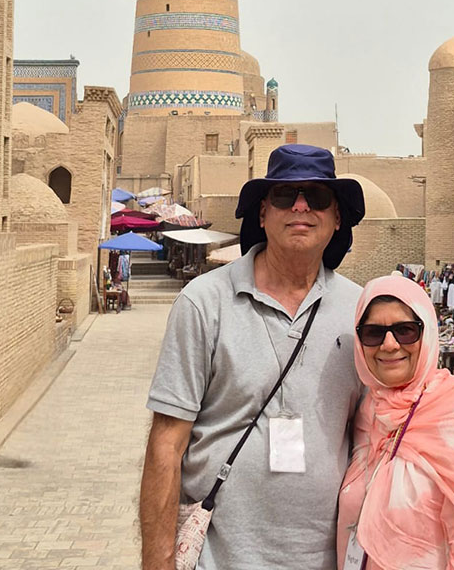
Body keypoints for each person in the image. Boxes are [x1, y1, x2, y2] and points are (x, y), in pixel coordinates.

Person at [140, 144, 366, 570]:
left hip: (325, 558)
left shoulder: (360, 313)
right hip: (217, 558)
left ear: (337, 217)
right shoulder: (205, 303)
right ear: (262, 212)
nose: (301, 206)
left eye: (317, 196)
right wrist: (158, 561)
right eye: (285, 195)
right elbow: (167, 444)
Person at [338, 275, 454, 570]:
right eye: (373, 333)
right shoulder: (368, 412)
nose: (389, 345)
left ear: (426, 333)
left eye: (405, 331)